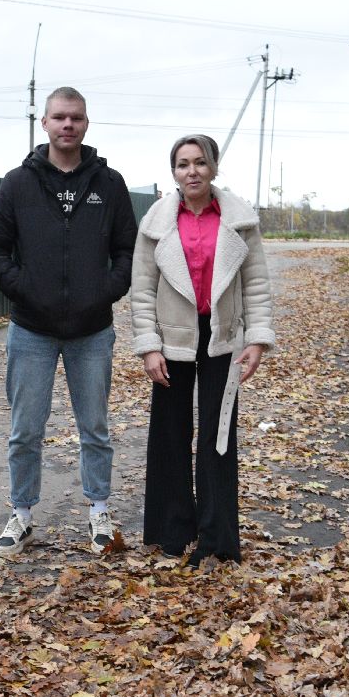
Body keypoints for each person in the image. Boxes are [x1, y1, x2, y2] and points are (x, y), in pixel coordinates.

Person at [0, 87, 136, 556]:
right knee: (25, 428)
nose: (67, 125)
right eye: (59, 117)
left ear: (86, 124)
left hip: (92, 331)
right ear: (45, 123)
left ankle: (99, 512)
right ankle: (22, 514)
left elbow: (128, 250)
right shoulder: (17, 182)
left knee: (95, 427)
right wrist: (24, 289)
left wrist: (105, 290)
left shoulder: (109, 184)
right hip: (31, 330)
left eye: (76, 118)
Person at [130, 135, 275, 566]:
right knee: (170, 435)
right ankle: (171, 532)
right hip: (172, 339)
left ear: (213, 167)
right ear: (172, 171)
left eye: (199, 163)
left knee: (218, 437)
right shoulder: (156, 223)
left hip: (222, 338)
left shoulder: (238, 220)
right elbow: (142, 290)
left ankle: (218, 540)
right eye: (181, 164)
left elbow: (256, 283)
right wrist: (149, 347)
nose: (190, 171)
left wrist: (257, 339)